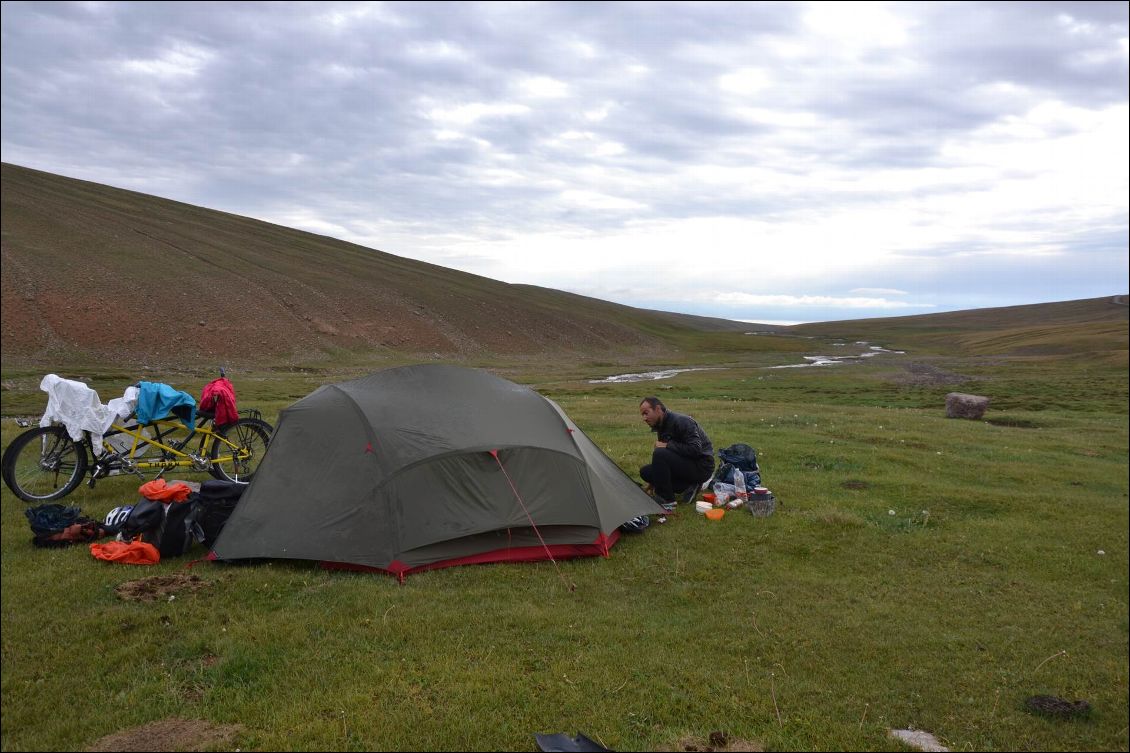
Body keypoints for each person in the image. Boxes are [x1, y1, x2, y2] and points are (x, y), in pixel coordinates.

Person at [638, 396, 715, 511]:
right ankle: (689, 486)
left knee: (660, 453)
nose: (644, 418)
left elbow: (695, 449)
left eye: (646, 413)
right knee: (646, 472)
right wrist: (655, 482)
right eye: (642, 415)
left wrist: (668, 445)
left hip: (702, 466)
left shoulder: (682, 421)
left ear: (658, 409)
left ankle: (667, 500)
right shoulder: (662, 425)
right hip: (687, 464)